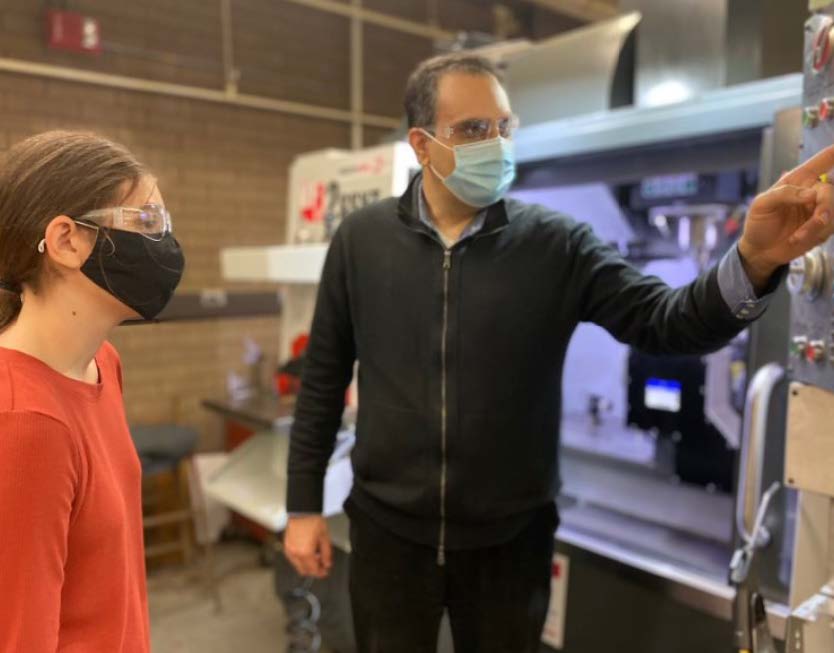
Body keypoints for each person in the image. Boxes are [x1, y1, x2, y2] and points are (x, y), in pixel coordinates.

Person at [284, 53, 834, 653]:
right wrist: (302, 505)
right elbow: (323, 376)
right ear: (422, 144)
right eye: (472, 129)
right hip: (389, 536)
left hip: (510, 546)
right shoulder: (362, 241)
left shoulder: (555, 244)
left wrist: (754, 262)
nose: (494, 143)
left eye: (503, 127)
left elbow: (666, 322)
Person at [0, 131, 185, 652]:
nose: (164, 243)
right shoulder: (25, 424)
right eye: (146, 221)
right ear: (65, 241)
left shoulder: (103, 363)